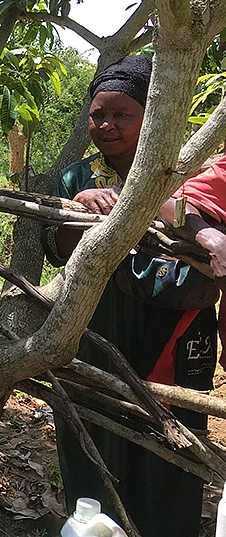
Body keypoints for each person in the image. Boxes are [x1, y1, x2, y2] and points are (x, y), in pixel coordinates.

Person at [42, 55, 216, 537]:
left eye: (123, 114)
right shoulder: (77, 176)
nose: (107, 125)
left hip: (175, 326)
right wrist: (76, 212)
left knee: (171, 432)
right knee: (94, 429)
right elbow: (57, 253)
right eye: (99, 114)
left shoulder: (184, 172)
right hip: (101, 320)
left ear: (149, 118)